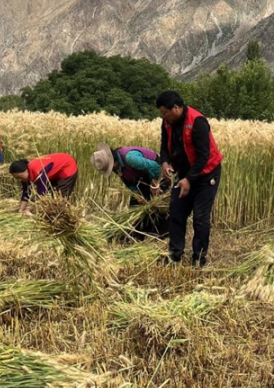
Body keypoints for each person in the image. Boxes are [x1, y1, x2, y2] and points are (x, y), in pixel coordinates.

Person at [156, 91, 222, 267]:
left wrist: (189, 180)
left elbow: (203, 156)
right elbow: (164, 146)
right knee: (176, 212)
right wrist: (165, 162)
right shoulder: (167, 122)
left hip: (206, 175)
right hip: (184, 175)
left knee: (200, 218)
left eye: (165, 112)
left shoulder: (197, 121)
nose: (163, 116)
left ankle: (198, 259)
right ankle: (175, 255)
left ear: (176, 108)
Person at [91, 142, 169, 238]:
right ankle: (140, 236)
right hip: (140, 179)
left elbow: (154, 167)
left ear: (114, 160)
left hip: (156, 173)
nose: (112, 170)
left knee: (158, 206)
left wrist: (155, 185)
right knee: (135, 207)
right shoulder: (116, 167)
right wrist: (137, 195)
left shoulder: (130, 158)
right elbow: (127, 181)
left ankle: (161, 235)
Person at [9, 153, 78, 215]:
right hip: (55, 171)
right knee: (51, 195)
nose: (19, 179)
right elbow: (26, 193)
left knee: (59, 198)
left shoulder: (38, 173)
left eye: (20, 176)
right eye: (16, 178)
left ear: (26, 170)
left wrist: (30, 210)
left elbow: (42, 196)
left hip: (67, 166)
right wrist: (20, 210)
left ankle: (63, 216)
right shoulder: (25, 175)